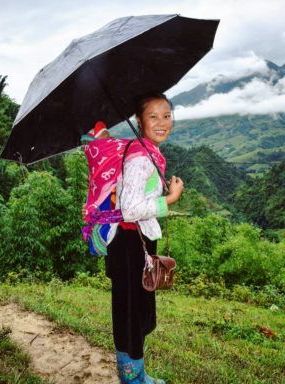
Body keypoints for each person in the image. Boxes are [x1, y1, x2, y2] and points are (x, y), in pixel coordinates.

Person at [103, 92, 184, 383]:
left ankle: (136, 374)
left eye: (167, 115)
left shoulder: (144, 151)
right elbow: (131, 209)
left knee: (133, 311)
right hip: (129, 245)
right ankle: (132, 379)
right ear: (139, 121)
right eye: (153, 116)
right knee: (129, 313)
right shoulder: (141, 159)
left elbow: (136, 196)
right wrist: (170, 200)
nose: (163, 122)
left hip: (132, 242)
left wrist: (159, 192)